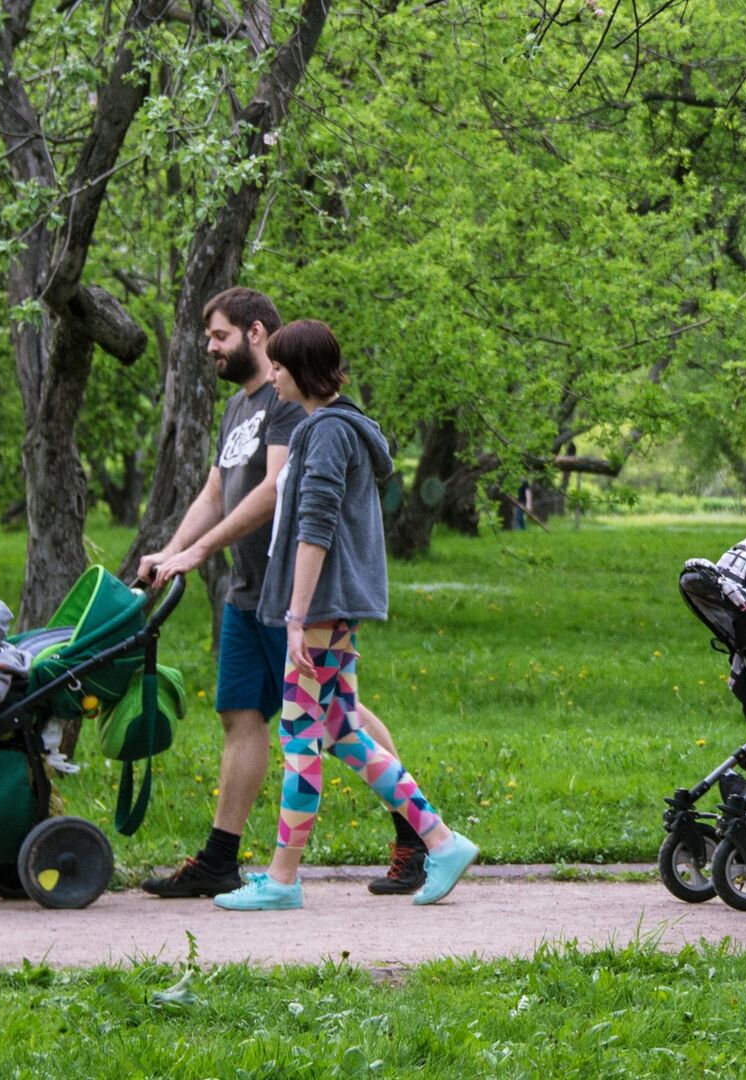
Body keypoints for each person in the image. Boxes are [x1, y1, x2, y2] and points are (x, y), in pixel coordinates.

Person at [136, 288, 429, 899]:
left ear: (256, 333)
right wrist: (175, 548)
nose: (208, 346)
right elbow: (216, 491)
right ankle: (221, 857)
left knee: (335, 717)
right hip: (249, 592)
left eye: (219, 335)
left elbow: (275, 491)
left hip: (293, 589)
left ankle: (415, 836)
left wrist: (200, 553)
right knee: (242, 716)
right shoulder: (237, 409)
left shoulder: (292, 403)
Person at [212, 319, 476, 911]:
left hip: (321, 607)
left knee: (300, 737)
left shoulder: (327, 432)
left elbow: (316, 526)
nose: (271, 374)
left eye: (278, 366)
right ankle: (442, 840)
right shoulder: (327, 427)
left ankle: (283, 879)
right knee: (343, 732)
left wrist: (296, 617)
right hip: (327, 607)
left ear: (299, 370)